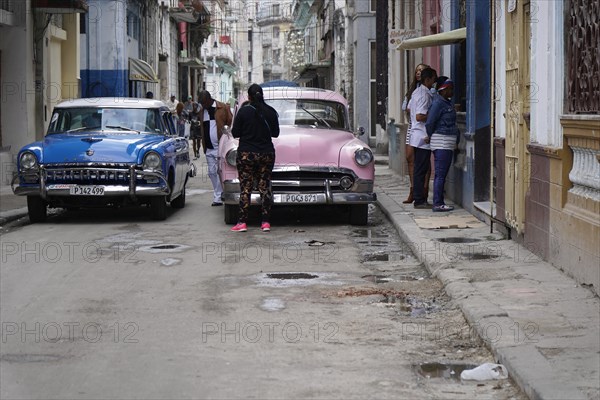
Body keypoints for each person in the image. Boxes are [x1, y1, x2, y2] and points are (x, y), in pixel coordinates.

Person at [230, 84, 280, 232]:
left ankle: (242, 222)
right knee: (264, 187)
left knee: (246, 187)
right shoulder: (271, 112)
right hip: (266, 154)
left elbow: (235, 133)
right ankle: (265, 222)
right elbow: (276, 133)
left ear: (249, 97)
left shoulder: (244, 112)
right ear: (262, 95)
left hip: (247, 154)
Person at [426, 77, 459, 212]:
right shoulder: (438, 104)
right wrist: (429, 135)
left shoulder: (447, 103)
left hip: (447, 143)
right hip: (442, 142)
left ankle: (439, 202)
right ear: (443, 90)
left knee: (442, 174)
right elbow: (429, 122)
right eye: (450, 89)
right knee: (440, 174)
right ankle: (438, 203)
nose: (452, 91)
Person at [197, 90, 233, 207]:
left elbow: (230, 122)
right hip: (209, 147)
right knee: (212, 172)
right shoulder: (202, 112)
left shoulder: (222, 107)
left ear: (208, 100)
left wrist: (227, 138)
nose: (202, 105)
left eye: (203, 103)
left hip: (221, 147)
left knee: (220, 171)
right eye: (201, 103)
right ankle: (219, 192)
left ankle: (217, 197)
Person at [408, 67, 437, 209]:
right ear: (427, 79)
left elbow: (410, 110)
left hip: (417, 135)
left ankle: (420, 198)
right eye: (433, 79)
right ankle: (419, 200)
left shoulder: (417, 92)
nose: (434, 81)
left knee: (421, 168)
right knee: (421, 168)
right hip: (422, 135)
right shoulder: (424, 95)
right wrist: (434, 116)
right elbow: (420, 116)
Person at [402, 63, 429, 204]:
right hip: (413, 126)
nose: (419, 72)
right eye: (417, 70)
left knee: (422, 160)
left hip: (422, 128)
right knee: (410, 158)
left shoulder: (429, 91)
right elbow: (404, 107)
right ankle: (413, 189)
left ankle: (423, 190)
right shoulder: (413, 90)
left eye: (422, 70)